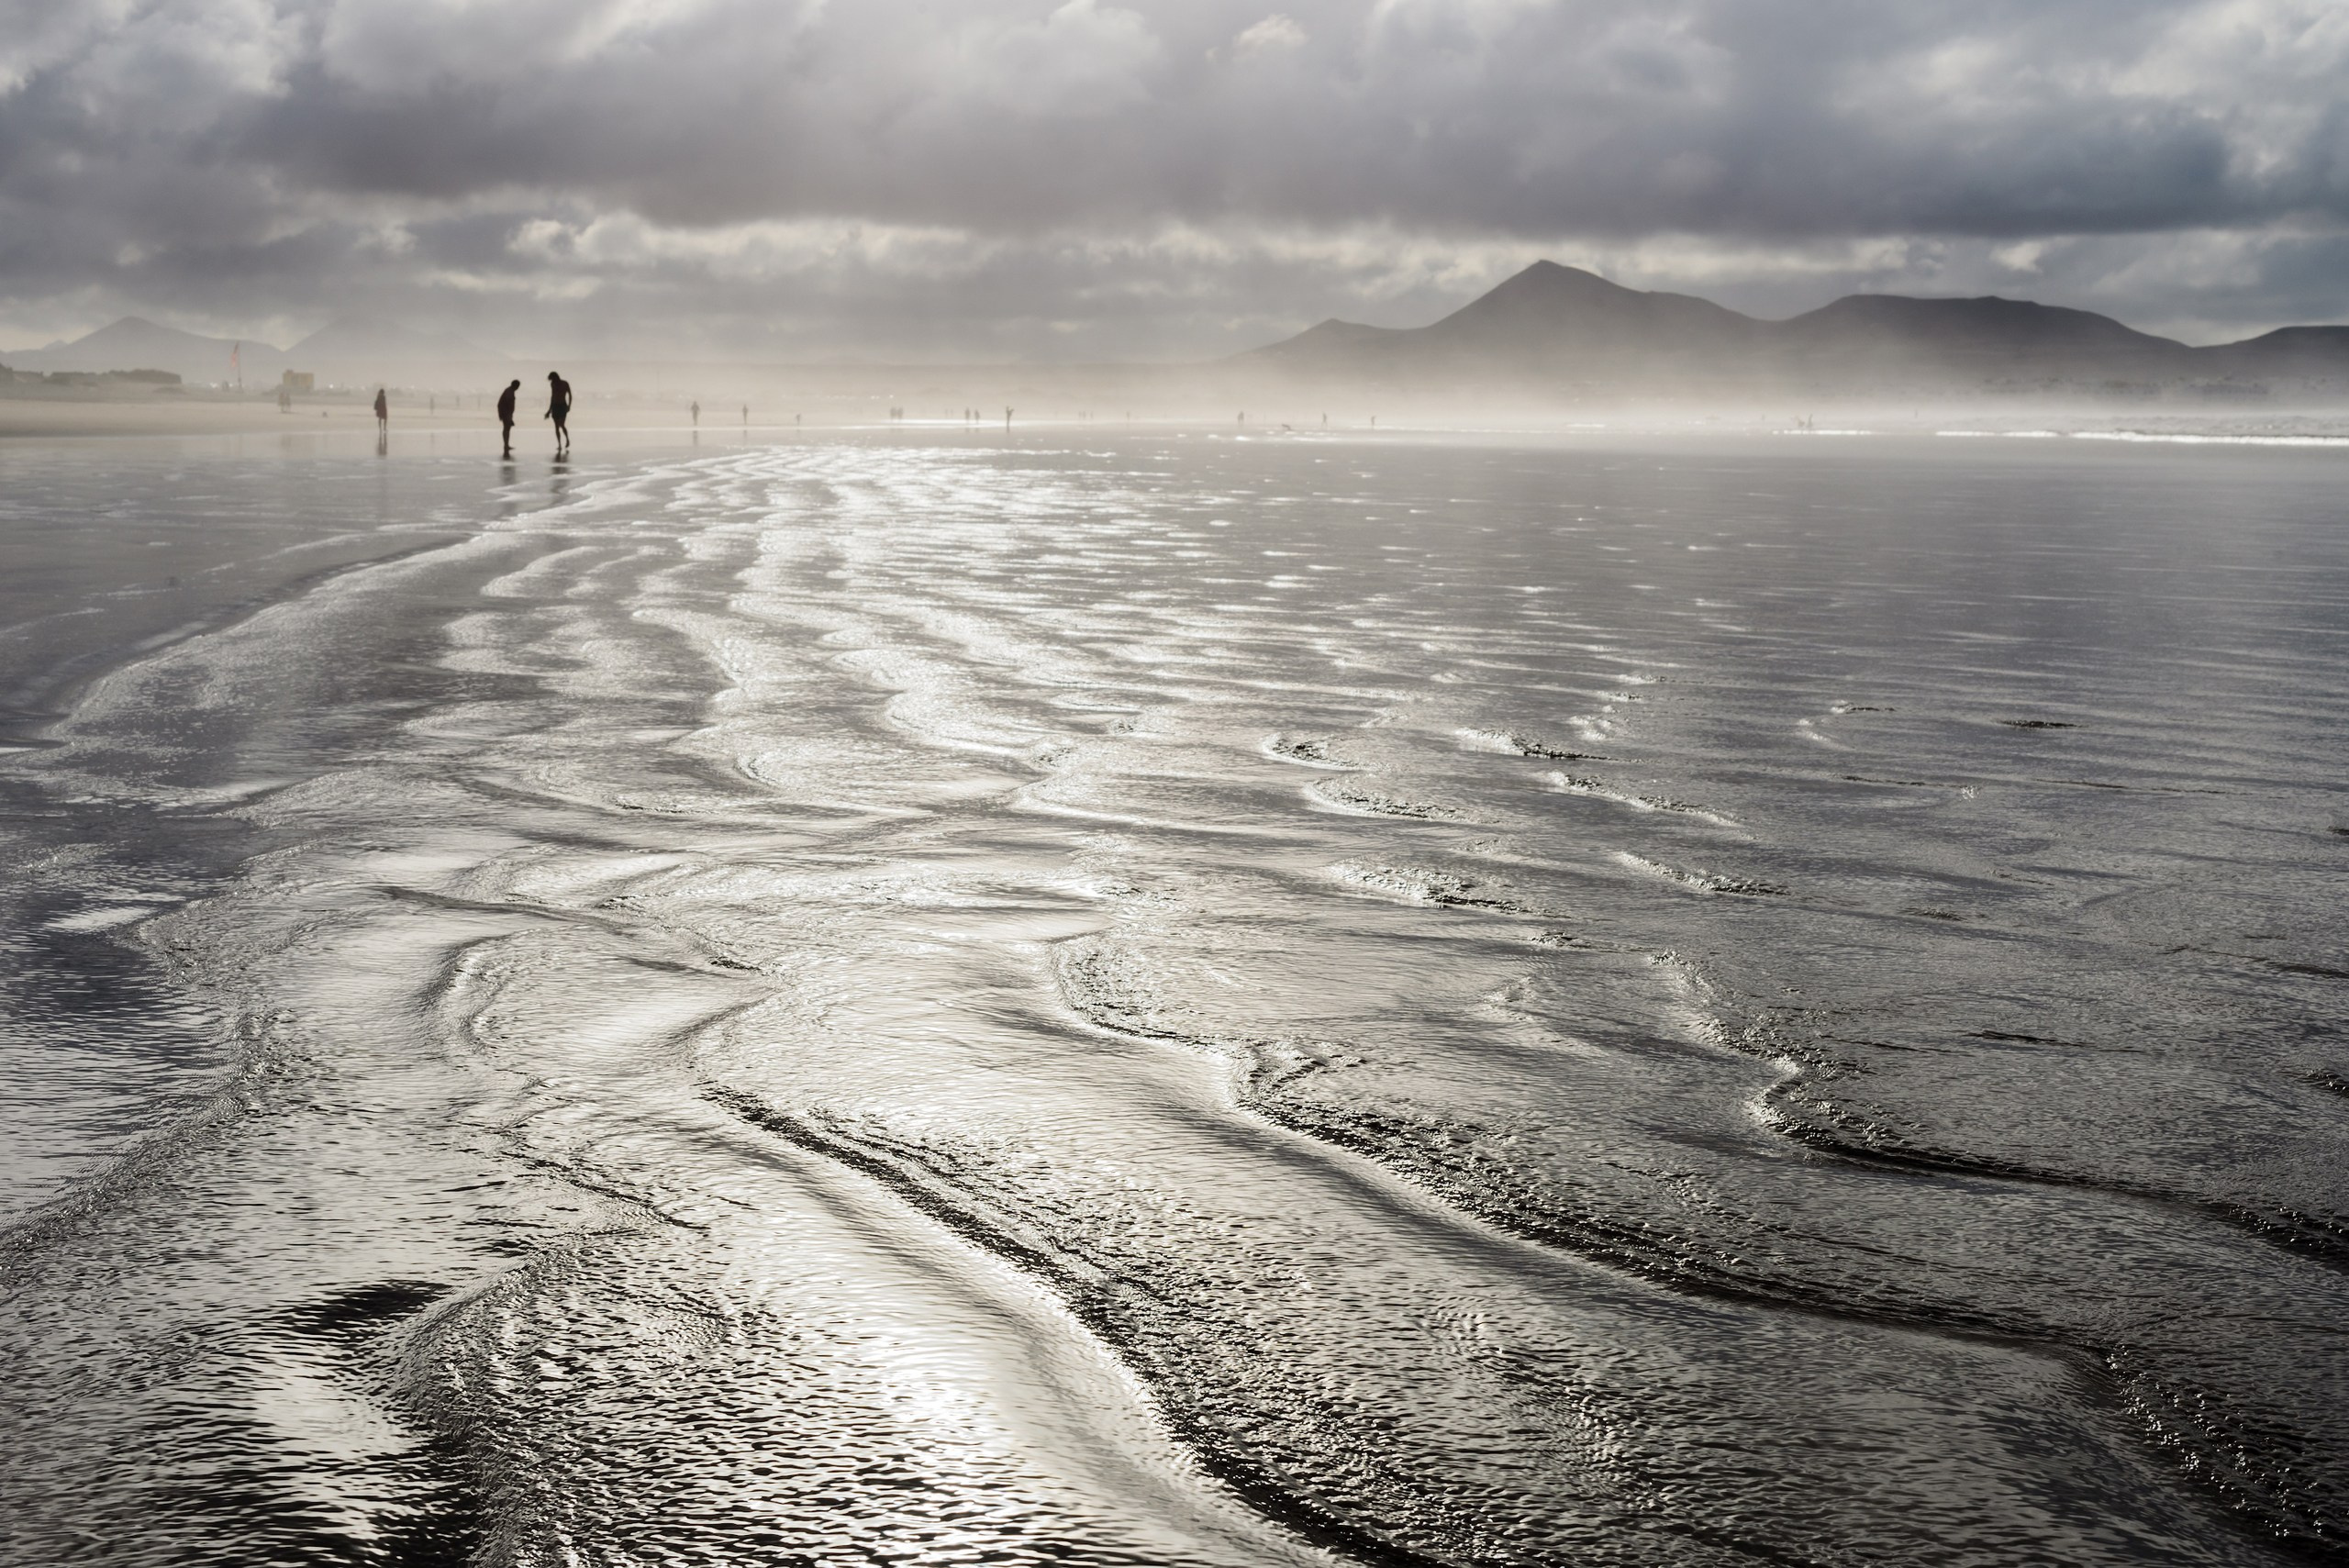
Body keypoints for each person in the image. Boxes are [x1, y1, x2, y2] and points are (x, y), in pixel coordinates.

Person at [545, 371, 572, 455]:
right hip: (555, 406)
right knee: (556, 426)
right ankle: (559, 444)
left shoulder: (565, 383)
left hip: (562, 406)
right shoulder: (553, 384)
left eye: (552, 379)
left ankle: (567, 439)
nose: (552, 381)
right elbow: (553, 397)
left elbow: (570, 394)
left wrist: (569, 406)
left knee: (562, 424)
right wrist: (549, 410)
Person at [495, 378, 520, 459]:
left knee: (507, 428)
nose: (518, 388)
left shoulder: (510, 391)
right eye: (518, 386)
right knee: (506, 428)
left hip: (507, 413)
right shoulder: (509, 391)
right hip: (506, 413)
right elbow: (505, 404)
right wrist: (505, 415)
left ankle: (506, 445)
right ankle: (506, 445)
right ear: (515, 385)